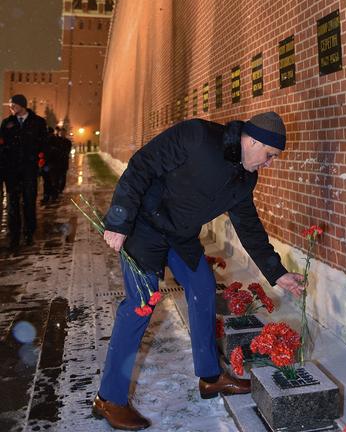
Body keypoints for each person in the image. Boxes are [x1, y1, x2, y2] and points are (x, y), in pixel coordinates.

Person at [93, 112, 304, 430]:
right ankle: (109, 399)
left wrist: (277, 273)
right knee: (140, 306)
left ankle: (210, 377)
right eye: (270, 155)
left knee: (203, 288)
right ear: (253, 141)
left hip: (180, 236)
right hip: (145, 227)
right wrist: (119, 220)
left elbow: (249, 227)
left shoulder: (246, 178)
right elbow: (142, 165)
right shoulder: (198, 137)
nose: (269, 163)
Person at [0, 94, 47, 252]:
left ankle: (28, 233)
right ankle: (14, 236)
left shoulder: (38, 122)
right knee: (13, 204)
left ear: (22, 105)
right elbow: (2, 146)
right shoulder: (7, 123)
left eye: (13, 104)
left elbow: (43, 144)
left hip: (29, 170)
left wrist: (40, 161)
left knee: (29, 202)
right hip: (11, 172)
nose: (11, 107)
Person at [55, 126, 72, 193]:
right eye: (61, 132)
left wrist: (62, 154)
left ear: (65, 133)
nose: (62, 134)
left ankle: (61, 188)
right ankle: (57, 188)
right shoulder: (57, 140)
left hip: (64, 161)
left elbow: (67, 151)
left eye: (63, 133)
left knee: (63, 175)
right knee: (57, 175)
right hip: (57, 161)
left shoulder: (68, 142)